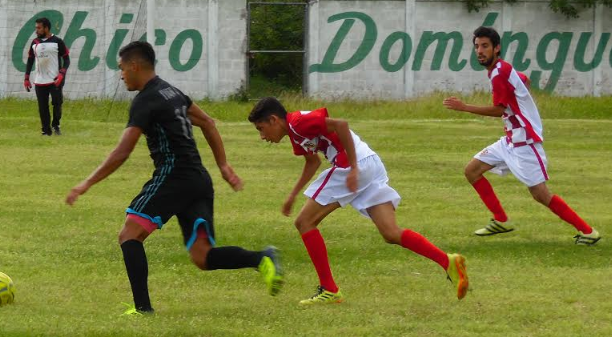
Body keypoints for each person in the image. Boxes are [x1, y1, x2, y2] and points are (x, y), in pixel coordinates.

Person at [65, 41, 283, 316]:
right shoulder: (172, 92)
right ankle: (262, 257)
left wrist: (86, 183)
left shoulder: (145, 100)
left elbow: (122, 151)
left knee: (129, 234)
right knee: (202, 257)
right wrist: (223, 166)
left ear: (134, 66)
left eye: (122, 69)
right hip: (199, 180)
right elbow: (208, 122)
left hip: (174, 176)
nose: (121, 75)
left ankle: (142, 309)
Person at [247, 98, 468, 305]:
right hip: (369, 163)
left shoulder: (298, 122)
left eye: (261, 129)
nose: (262, 136)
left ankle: (329, 289)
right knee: (390, 233)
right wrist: (293, 194)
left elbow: (341, 125)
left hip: (354, 165)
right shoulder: (295, 133)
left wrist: (352, 167)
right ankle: (448, 261)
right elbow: (312, 162)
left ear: (273, 120)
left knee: (304, 222)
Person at [443, 26, 600, 245]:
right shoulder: (501, 69)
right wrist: (521, 86)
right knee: (472, 170)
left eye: (485, 46)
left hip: (525, 142)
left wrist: (464, 107)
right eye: (477, 46)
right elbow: (523, 78)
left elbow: (499, 109)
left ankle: (588, 231)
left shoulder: (499, 73)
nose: (479, 50)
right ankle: (501, 220)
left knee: (540, 195)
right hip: (510, 140)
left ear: (497, 48)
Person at [24, 17, 69, 136]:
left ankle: (56, 125)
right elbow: (30, 60)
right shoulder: (35, 43)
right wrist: (26, 78)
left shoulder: (57, 41)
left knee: (57, 103)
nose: (36, 30)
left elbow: (67, 59)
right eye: (36, 28)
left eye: (39, 28)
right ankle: (46, 131)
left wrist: (62, 73)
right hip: (40, 81)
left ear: (46, 28)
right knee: (42, 107)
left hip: (55, 80)